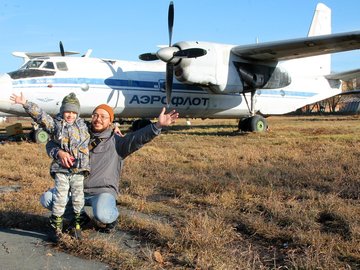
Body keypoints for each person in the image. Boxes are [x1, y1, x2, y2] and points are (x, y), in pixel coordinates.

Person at [42, 104, 179, 233]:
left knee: (103, 215)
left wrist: (157, 126)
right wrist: (59, 152)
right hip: (75, 188)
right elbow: (52, 143)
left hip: (101, 190)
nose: (98, 119)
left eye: (103, 117)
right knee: (47, 198)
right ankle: (81, 217)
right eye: (95, 115)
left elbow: (138, 138)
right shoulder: (80, 135)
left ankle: (112, 217)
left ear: (110, 122)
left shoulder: (118, 142)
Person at [10, 92, 90, 242]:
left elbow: (101, 132)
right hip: (61, 170)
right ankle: (57, 228)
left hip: (79, 170)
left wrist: (114, 129)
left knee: (78, 198)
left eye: (74, 112)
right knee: (60, 198)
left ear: (77, 113)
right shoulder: (56, 125)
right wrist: (25, 103)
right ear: (62, 111)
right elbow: (41, 116)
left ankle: (77, 226)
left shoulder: (84, 126)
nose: (70, 115)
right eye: (67, 111)